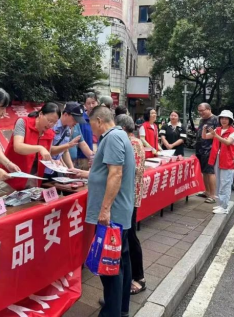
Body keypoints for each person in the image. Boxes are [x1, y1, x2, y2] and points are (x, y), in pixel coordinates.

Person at [70, 106, 134, 317]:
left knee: (110, 267)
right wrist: (86, 173)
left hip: (112, 213)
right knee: (120, 262)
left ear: (99, 120)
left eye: (90, 122)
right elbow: (105, 171)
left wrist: (105, 210)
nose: (90, 128)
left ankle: (111, 312)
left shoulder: (113, 138)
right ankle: (121, 307)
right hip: (119, 211)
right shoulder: (118, 136)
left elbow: (115, 174)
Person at [0, 102, 60, 196]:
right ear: (40, 114)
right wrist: (39, 148)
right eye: (49, 120)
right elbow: (18, 146)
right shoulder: (23, 122)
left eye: (54, 123)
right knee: (0, 204)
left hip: (32, 179)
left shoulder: (50, 133)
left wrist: (53, 162)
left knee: (27, 208)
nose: (50, 125)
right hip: (12, 175)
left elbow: (44, 156)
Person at [115, 114, 147, 296]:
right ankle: (132, 278)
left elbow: (128, 170)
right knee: (128, 237)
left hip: (129, 197)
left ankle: (139, 278)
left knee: (130, 237)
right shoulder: (132, 142)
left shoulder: (132, 143)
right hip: (129, 196)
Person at [44, 102, 94, 177]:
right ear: (65, 114)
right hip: (44, 168)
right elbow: (48, 150)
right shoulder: (52, 125)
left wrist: (71, 169)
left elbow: (65, 151)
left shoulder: (68, 129)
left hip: (55, 169)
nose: (76, 122)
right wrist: (68, 145)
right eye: (75, 119)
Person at [207, 110, 234, 214]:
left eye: (226, 118)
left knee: (226, 183)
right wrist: (204, 130)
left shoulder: (233, 132)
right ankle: (220, 204)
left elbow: (228, 142)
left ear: (230, 120)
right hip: (218, 158)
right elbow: (205, 136)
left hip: (228, 160)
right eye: (222, 118)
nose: (223, 120)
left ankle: (224, 206)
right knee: (220, 182)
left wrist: (216, 135)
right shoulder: (218, 129)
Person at [195, 103, 219, 203]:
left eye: (202, 110)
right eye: (199, 111)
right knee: (204, 172)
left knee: (210, 172)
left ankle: (213, 195)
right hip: (200, 149)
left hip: (209, 149)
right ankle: (207, 192)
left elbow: (217, 134)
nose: (201, 113)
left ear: (209, 109)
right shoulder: (202, 120)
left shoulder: (216, 119)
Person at [77, 92, 98, 169]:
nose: (91, 106)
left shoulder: (101, 118)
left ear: (97, 103)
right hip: (83, 155)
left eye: (93, 103)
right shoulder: (81, 119)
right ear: (85, 105)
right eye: (88, 103)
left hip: (99, 152)